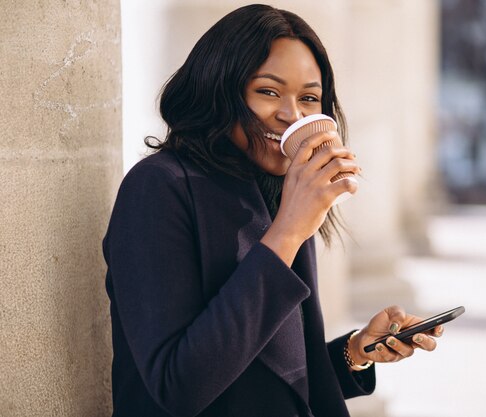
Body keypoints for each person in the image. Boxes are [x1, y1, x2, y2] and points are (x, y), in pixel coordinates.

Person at [103, 4, 443, 417]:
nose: (290, 115)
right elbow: (180, 386)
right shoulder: (158, 187)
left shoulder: (277, 194)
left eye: (309, 98)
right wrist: (286, 232)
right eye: (267, 91)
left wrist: (356, 352)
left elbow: (274, 378)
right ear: (220, 87)